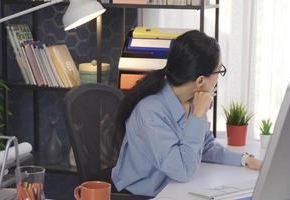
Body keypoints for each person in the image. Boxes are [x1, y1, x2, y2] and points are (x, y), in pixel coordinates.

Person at [111, 30, 262, 197]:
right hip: (144, 194)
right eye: (219, 72)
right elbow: (183, 171)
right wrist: (197, 116)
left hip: (172, 188)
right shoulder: (150, 112)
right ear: (200, 81)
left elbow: (205, 147)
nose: (219, 79)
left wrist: (244, 160)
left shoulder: (193, 101)